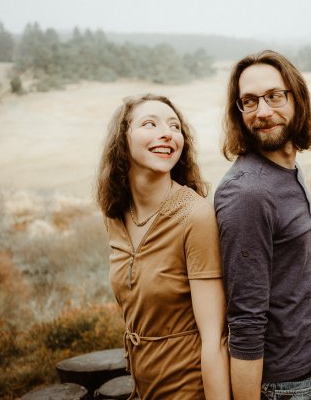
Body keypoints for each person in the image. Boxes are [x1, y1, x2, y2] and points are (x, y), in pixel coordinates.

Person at [96, 94, 230, 399]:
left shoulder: (195, 217)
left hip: (189, 389)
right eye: (150, 124)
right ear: (122, 139)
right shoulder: (115, 216)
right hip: (143, 389)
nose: (167, 133)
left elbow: (215, 339)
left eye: (175, 126)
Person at [214, 50, 311, 400]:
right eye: (249, 101)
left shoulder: (286, 169)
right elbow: (245, 318)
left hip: (309, 373)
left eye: (274, 96)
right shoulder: (249, 193)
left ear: (298, 98)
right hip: (280, 388)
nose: (262, 112)